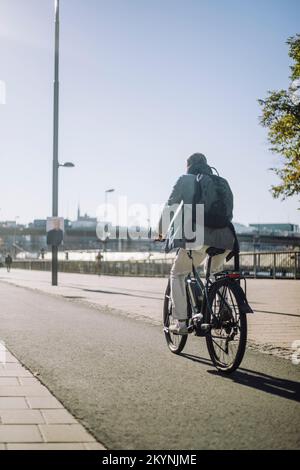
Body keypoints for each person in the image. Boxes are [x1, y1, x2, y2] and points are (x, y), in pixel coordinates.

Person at [158, 153, 236, 335]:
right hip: (225, 238)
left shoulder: (186, 180)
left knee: (178, 273)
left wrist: (160, 231)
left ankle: (181, 323)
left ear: (189, 165)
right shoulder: (221, 182)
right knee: (215, 274)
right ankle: (223, 308)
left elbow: (170, 207)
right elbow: (229, 212)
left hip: (197, 237)